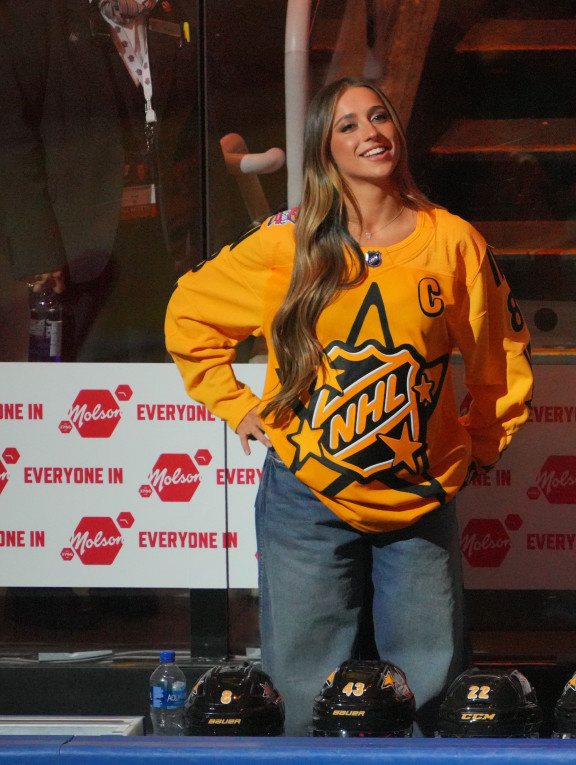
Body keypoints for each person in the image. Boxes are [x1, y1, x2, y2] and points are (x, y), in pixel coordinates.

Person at [165, 77, 533, 735]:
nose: (371, 132)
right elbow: (189, 312)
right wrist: (235, 404)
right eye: (348, 125)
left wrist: (481, 443)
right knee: (303, 693)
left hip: (418, 495)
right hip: (305, 495)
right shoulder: (287, 244)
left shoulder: (453, 242)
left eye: (379, 116)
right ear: (324, 150)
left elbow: (498, 356)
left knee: (428, 696)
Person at [0, 0, 202, 362]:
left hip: (162, 244)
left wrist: (212, 244)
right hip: (74, 251)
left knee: (159, 374)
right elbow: (12, 140)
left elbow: (194, 132)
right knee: (77, 384)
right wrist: (39, 252)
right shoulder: (41, 16)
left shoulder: (173, 15)